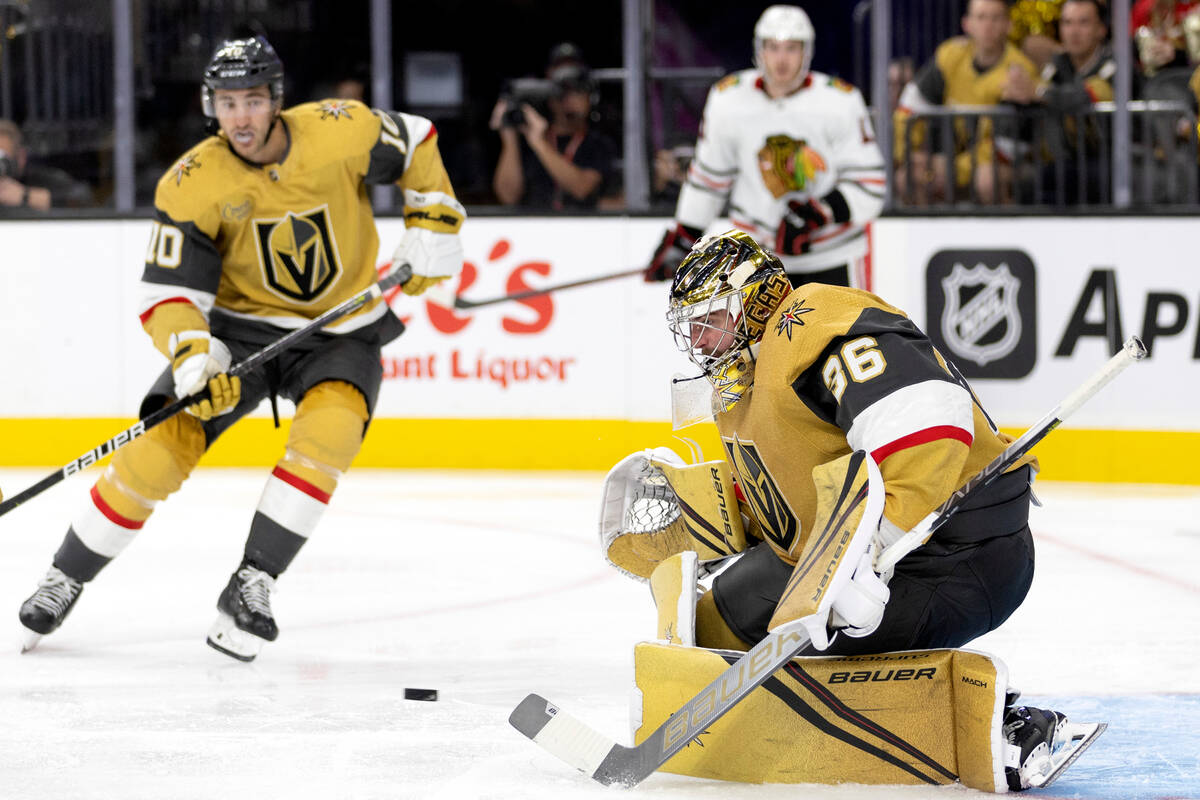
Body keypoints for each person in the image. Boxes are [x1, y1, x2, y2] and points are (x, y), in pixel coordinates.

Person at [16, 35, 466, 662]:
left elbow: (416, 140)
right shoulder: (192, 182)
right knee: (158, 452)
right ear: (211, 106)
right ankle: (66, 575)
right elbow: (168, 295)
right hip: (236, 333)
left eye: (252, 101)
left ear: (276, 100)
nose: (241, 118)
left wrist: (434, 221)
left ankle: (253, 582)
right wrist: (195, 354)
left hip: (340, 331)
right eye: (227, 104)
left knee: (331, 435)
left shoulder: (340, 129)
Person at [609, 230, 1095, 791]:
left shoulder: (808, 321)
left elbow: (927, 420)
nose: (699, 338)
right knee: (719, 623)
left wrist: (868, 548)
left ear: (755, 299)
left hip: (956, 551)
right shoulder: (741, 385)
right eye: (691, 326)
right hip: (850, 553)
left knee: (808, 642)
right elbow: (791, 498)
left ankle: (1005, 726)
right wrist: (711, 515)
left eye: (710, 318)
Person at [644, 5, 885, 290]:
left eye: (791, 48)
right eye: (773, 47)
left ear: (806, 52)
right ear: (759, 50)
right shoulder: (728, 99)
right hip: (758, 261)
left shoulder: (841, 102)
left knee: (846, 336)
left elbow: (870, 186)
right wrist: (684, 237)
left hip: (834, 256)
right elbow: (709, 181)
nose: (781, 59)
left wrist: (818, 213)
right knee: (761, 338)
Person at [894, 0, 1039, 205]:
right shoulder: (950, 56)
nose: (988, 25)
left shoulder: (1019, 71)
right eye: (981, 17)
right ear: (967, 24)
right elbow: (910, 108)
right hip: (951, 160)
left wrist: (953, 169)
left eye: (995, 18)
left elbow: (1008, 146)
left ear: (1009, 25)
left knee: (986, 180)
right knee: (907, 176)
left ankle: (1002, 235)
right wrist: (908, 154)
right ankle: (931, 236)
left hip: (1006, 165)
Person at [1003, 0, 1116, 203]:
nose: (1074, 32)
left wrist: (1036, 91)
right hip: (1066, 163)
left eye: (1083, 23)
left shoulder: (1115, 64)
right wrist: (1019, 94)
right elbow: (1038, 98)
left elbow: (1084, 97)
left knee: (1054, 177)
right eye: (1067, 23)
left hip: (1114, 163)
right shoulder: (1056, 66)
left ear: (1101, 30)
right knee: (1034, 182)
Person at [490, 43, 617, 210]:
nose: (568, 94)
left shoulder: (599, 143)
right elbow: (507, 196)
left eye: (576, 86)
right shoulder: (529, 137)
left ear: (589, 95)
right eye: (561, 87)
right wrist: (510, 139)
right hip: (535, 227)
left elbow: (582, 189)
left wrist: (539, 144)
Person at [0, 119, 93, 213]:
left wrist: (26, 196)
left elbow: (83, 198)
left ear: (21, 157)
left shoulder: (40, 179)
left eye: (3, 159)